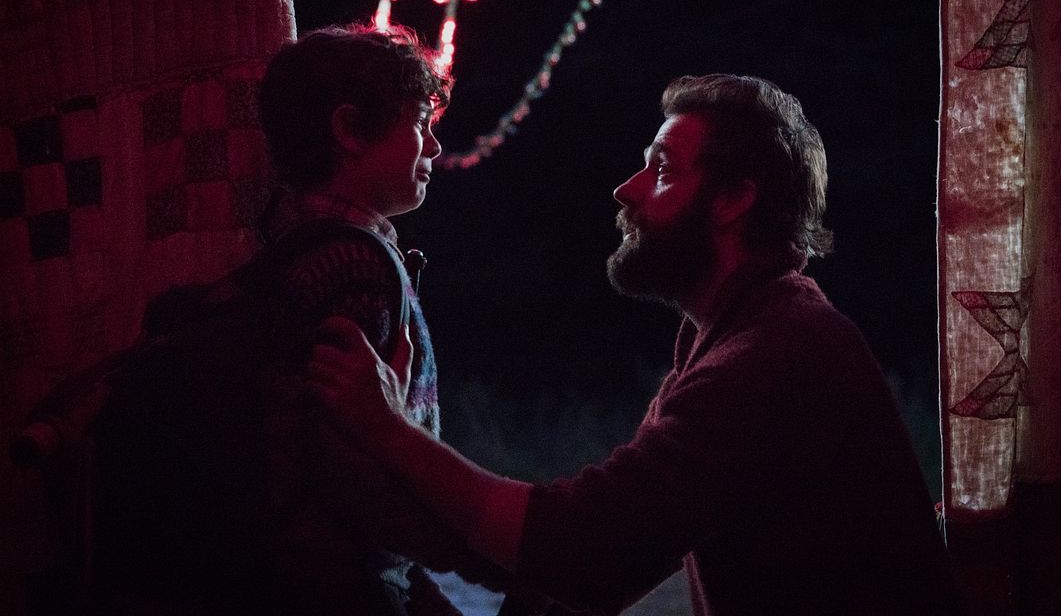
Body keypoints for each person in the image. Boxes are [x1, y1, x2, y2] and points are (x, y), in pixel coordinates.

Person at [308, 74, 962, 615]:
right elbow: (597, 557)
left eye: (662, 169)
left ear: (734, 199)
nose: (626, 189)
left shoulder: (775, 355)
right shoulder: (728, 333)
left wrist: (388, 429)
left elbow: (587, 552)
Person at [91, 23, 492, 615]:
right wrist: (487, 549)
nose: (433, 147)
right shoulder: (351, 264)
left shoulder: (294, 253)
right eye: (417, 123)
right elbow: (342, 472)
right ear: (349, 129)